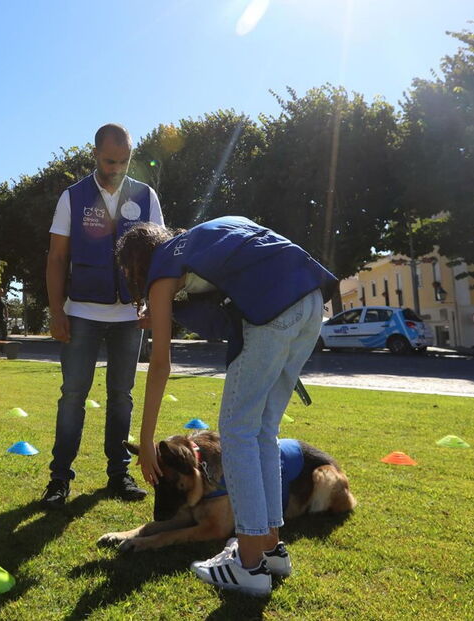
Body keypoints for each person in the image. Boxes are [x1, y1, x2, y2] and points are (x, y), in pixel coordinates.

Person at [115, 217, 338, 596]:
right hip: (312, 300)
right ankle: (270, 549)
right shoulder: (203, 242)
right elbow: (227, 308)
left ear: (137, 264)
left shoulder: (161, 266)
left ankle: (248, 564)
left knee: (237, 433)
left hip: (275, 311)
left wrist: (148, 439)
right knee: (263, 433)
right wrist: (167, 311)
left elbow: (160, 362)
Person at [42, 123, 165, 510]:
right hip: (81, 312)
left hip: (129, 314)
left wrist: (151, 304)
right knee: (72, 397)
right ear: (95, 154)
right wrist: (57, 309)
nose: (117, 168)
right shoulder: (73, 197)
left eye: (124, 161)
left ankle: (118, 474)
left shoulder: (145, 196)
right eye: (110, 161)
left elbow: (158, 255)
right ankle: (59, 478)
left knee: (121, 397)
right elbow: (58, 257)